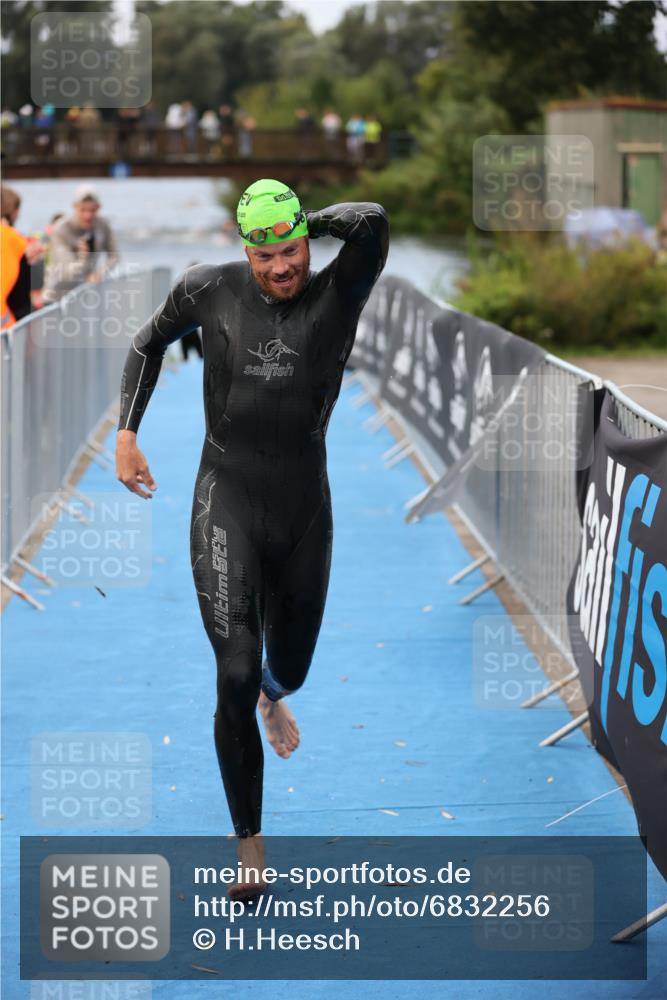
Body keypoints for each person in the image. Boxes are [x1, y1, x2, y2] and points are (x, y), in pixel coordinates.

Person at [115, 179, 389, 901]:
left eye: (290, 250)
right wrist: (125, 434)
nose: (280, 267)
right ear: (244, 252)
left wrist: (306, 220)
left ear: (306, 241)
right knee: (234, 669)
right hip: (226, 502)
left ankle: (276, 693)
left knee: (286, 668)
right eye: (264, 255)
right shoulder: (207, 289)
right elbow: (146, 343)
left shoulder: (339, 293)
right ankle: (249, 846)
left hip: (303, 513)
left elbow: (372, 221)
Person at [42, 184, 119, 303]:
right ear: (74, 206)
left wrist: (99, 274)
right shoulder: (61, 229)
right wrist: (83, 257)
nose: (88, 215)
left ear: (99, 207)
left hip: (84, 295)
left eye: (92, 210)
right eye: (83, 209)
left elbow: (114, 256)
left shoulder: (103, 226)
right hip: (56, 298)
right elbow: (66, 274)